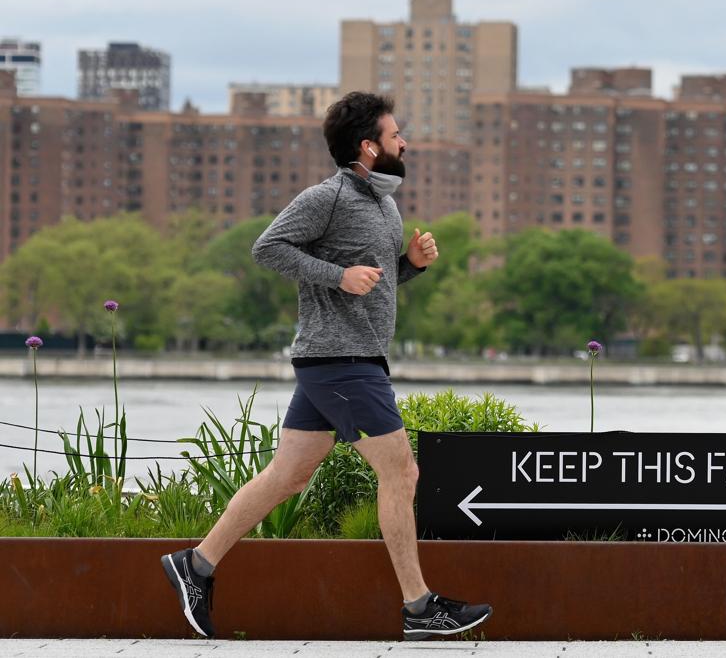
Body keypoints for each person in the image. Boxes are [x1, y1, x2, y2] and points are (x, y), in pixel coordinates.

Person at [160, 92, 491, 641]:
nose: (404, 141)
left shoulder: (385, 205)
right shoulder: (328, 196)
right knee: (401, 471)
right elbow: (267, 248)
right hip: (341, 362)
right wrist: (336, 277)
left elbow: (372, 283)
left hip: (350, 359)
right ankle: (419, 608)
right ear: (368, 146)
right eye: (395, 134)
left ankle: (195, 566)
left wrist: (409, 265)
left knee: (289, 475)